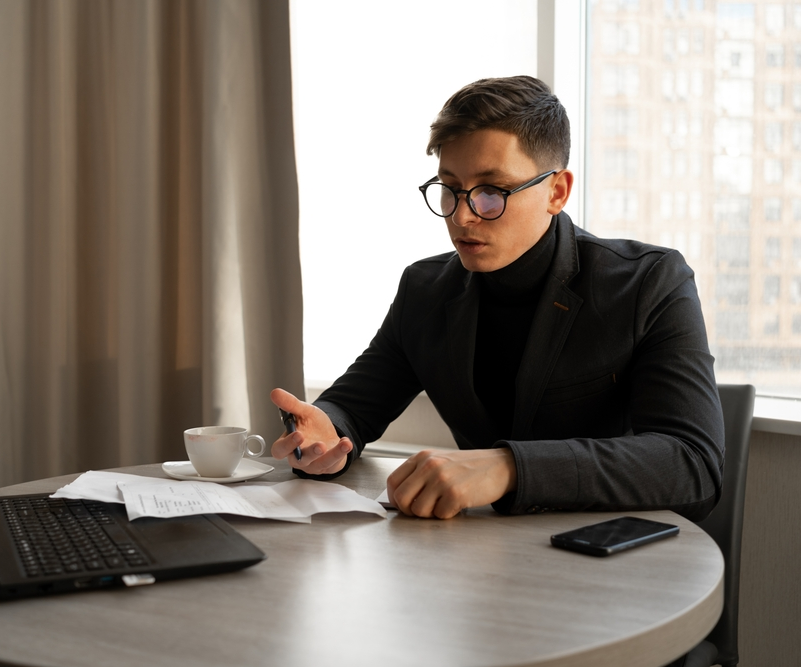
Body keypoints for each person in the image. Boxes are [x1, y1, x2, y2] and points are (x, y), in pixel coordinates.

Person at [270, 75, 723, 522]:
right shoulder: (425, 289)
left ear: (556, 192)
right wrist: (326, 435)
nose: (463, 216)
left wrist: (509, 467)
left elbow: (693, 463)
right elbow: (352, 407)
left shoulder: (648, 282)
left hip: (614, 565)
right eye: (450, 188)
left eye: (491, 192)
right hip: (476, 557)